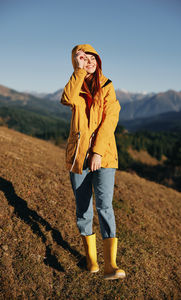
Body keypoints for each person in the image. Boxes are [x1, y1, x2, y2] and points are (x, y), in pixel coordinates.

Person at [61, 44, 125, 280]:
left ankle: (111, 264)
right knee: (83, 209)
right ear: (76, 62)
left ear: (99, 61)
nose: (89, 61)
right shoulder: (75, 85)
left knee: (105, 206)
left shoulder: (108, 86)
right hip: (77, 156)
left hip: (105, 155)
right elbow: (66, 98)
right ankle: (91, 259)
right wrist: (78, 70)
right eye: (83, 58)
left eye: (92, 58)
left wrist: (97, 152)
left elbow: (110, 121)